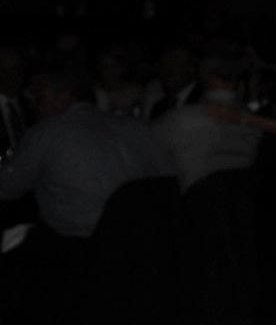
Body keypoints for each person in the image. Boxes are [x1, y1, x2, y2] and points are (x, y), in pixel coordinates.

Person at [0, 62, 174, 238]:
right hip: (148, 236)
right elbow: (168, 178)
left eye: (39, 97)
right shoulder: (135, 126)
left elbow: (7, 186)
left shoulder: (48, 131)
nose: (33, 105)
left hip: (84, 245)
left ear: (63, 97)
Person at [153, 47, 262, 192]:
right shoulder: (257, 122)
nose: (169, 69)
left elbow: (142, 151)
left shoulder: (179, 120)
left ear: (200, 72)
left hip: (191, 208)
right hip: (242, 208)